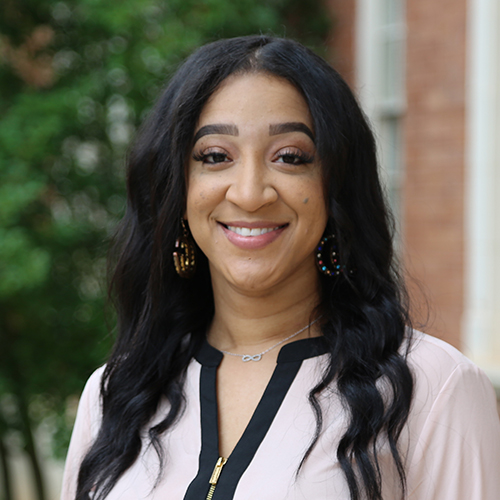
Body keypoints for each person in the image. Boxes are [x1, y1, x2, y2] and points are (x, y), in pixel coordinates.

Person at [60, 35, 500, 500]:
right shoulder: (118, 394)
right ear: (177, 187)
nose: (250, 193)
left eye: (290, 157)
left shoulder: (431, 389)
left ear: (336, 186)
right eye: (215, 157)